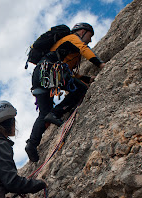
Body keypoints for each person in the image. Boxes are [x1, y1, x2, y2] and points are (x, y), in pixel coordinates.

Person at [25, 22, 106, 162]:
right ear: (81, 32)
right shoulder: (72, 38)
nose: (90, 40)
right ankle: (55, 113)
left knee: (44, 112)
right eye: (89, 35)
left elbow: (68, 75)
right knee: (81, 89)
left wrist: (86, 78)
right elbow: (84, 48)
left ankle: (31, 145)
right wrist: (101, 64)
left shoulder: (66, 49)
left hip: (40, 74)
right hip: (50, 70)